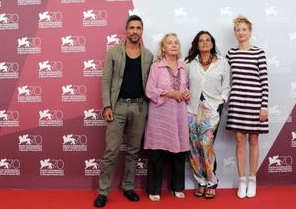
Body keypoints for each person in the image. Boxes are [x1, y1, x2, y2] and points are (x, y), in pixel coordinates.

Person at [93, 15, 153, 207]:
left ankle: (128, 187)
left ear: (141, 31)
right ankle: (103, 192)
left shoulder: (149, 55)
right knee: (111, 151)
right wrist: (107, 106)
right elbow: (105, 81)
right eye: (132, 28)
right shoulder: (113, 52)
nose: (135, 31)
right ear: (126, 30)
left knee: (134, 151)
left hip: (140, 107)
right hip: (117, 106)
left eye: (138, 28)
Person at [225, 16, 268, 198]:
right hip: (237, 102)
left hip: (255, 102)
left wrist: (264, 106)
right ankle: (242, 181)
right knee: (240, 141)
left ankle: (252, 180)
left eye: (244, 29)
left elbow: (264, 82)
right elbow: (223, 77)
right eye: (238, 29)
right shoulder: (230, 54)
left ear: (250, 31)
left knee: (254, 141)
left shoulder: (259, 52)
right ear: (235, 32)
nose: (241, 32)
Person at [144, 32, 190, 202]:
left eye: (176, 42)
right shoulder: (156, 66)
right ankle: (154, 188)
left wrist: (186, 94)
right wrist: (169, 93)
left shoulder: (184, 67)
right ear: (163, 48)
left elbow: (187, 88)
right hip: (160, 116)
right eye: (169, 42)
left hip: (179, 115)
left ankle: (177, 187)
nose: (173, 45)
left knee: (179, 152)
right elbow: (150, 91)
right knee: (157, 152)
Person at [185, 31, 230, 199]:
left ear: (212, 44)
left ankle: (212, 181)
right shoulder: (189, 63)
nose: (204, 43)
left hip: (211, 109)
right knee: (193, 146)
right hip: (191, 109)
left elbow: (226, 86)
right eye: (201, 41)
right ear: (197, 45)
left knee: (206, 145)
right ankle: (201, 181)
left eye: (208, 40)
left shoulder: (222, 63)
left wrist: (222, 101)